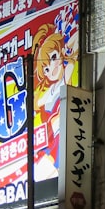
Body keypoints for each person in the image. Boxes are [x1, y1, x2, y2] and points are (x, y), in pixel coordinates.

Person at [32, 21, 77, 175]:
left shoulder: (65, 77)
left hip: (63, 139)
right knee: (40, 172)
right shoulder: (46, 93)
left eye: (53, 58)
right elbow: (37, 103)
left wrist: (66, 48)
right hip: (51, 143)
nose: (51, 68)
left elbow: (76, 41)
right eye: (45, 68)